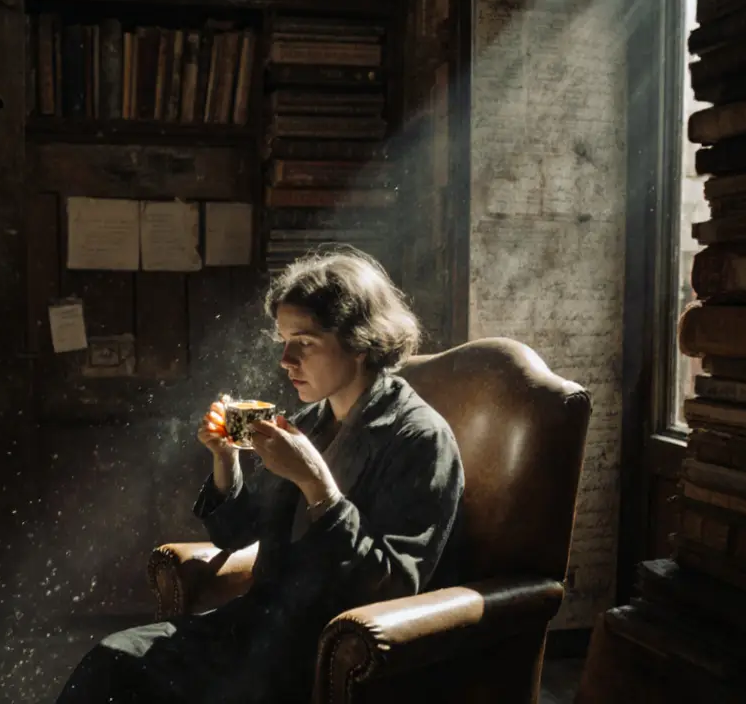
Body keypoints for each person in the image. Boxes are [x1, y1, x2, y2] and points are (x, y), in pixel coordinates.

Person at [57, 249, 465, 703]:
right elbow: (236, 535)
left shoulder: (420, 439)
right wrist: (225, 459)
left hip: (324, 647)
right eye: (284, 341)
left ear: (361, 342)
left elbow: (393, 584)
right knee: (110, 661)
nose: (286, 359)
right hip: (259, 628)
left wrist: (318, 486)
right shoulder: (310, 422)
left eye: (304, 342)